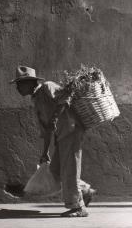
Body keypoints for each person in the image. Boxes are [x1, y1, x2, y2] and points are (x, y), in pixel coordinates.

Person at [6, 66, 96, 218]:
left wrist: (55, 117)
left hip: (71, 129)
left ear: (30, 83)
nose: (17, 88)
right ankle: (85, 190)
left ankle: (78, 207)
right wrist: (45, 152)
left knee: (70, 169)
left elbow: (66, 97)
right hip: (61, 136)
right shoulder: (36, 100)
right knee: (55, 171)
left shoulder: (48, 86)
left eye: (20, 84)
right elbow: (46, 130)